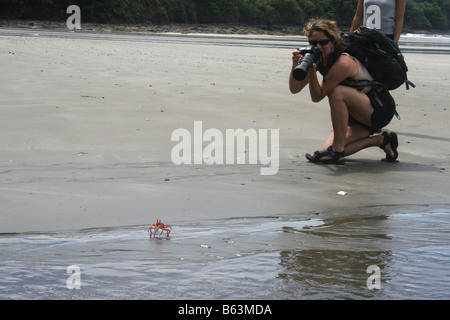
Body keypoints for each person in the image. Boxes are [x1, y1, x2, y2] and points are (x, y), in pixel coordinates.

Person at [289, 18, 398, 164]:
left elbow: (317, 96)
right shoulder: (320, 58)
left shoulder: (343, 63)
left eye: (323, 42)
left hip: (377, 109)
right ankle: (382, 140)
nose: (318, 47)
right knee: (326, 150)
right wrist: (295, 65)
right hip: (356, 116)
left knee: (337, 92)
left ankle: (337, 150)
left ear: (333, 41)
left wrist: (312, 73)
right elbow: (295, 89)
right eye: (313, 43)